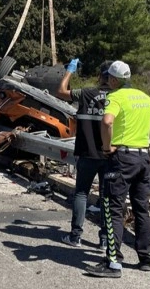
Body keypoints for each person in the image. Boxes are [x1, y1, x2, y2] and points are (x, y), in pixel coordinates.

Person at [86, 60, 150, 278]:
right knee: (141, 209)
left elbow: (107, 122)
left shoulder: (115, 97)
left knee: (113, 209)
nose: (107, 80)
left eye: (109, 77)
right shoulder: (145, 98)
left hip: (121, 159)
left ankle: (113, 263)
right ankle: (145, 257)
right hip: (143, 158)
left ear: (114, 79)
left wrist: (107, 147)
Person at [56, 59, 112, 249]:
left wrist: (70, 71)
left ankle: (75, 236)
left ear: (99, 76)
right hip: (110, 155)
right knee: (106, 196)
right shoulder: (119, 96)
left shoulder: (86, 93)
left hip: (87, 152)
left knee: (81, 193)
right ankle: (105, 240)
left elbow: (61, 92)